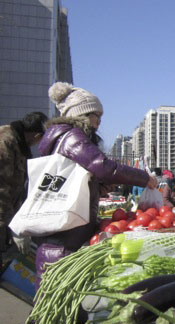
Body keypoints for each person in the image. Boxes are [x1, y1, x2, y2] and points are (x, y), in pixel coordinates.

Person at [34, 82, 157, 289]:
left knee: (55, 290)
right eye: (95, 115)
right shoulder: (72, 136)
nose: (99, 121)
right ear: (80, 114)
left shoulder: (61, 137)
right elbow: (104, 167)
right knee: (60, 294)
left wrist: (97, 189)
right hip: (65, 238)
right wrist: (144, 178)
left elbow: (73, 179)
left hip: (62, 233)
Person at [0, 112, 48, 265]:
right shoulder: (5, 141)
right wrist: (12, 225)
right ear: (37, 136)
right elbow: (1, 188)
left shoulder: (20, 145)